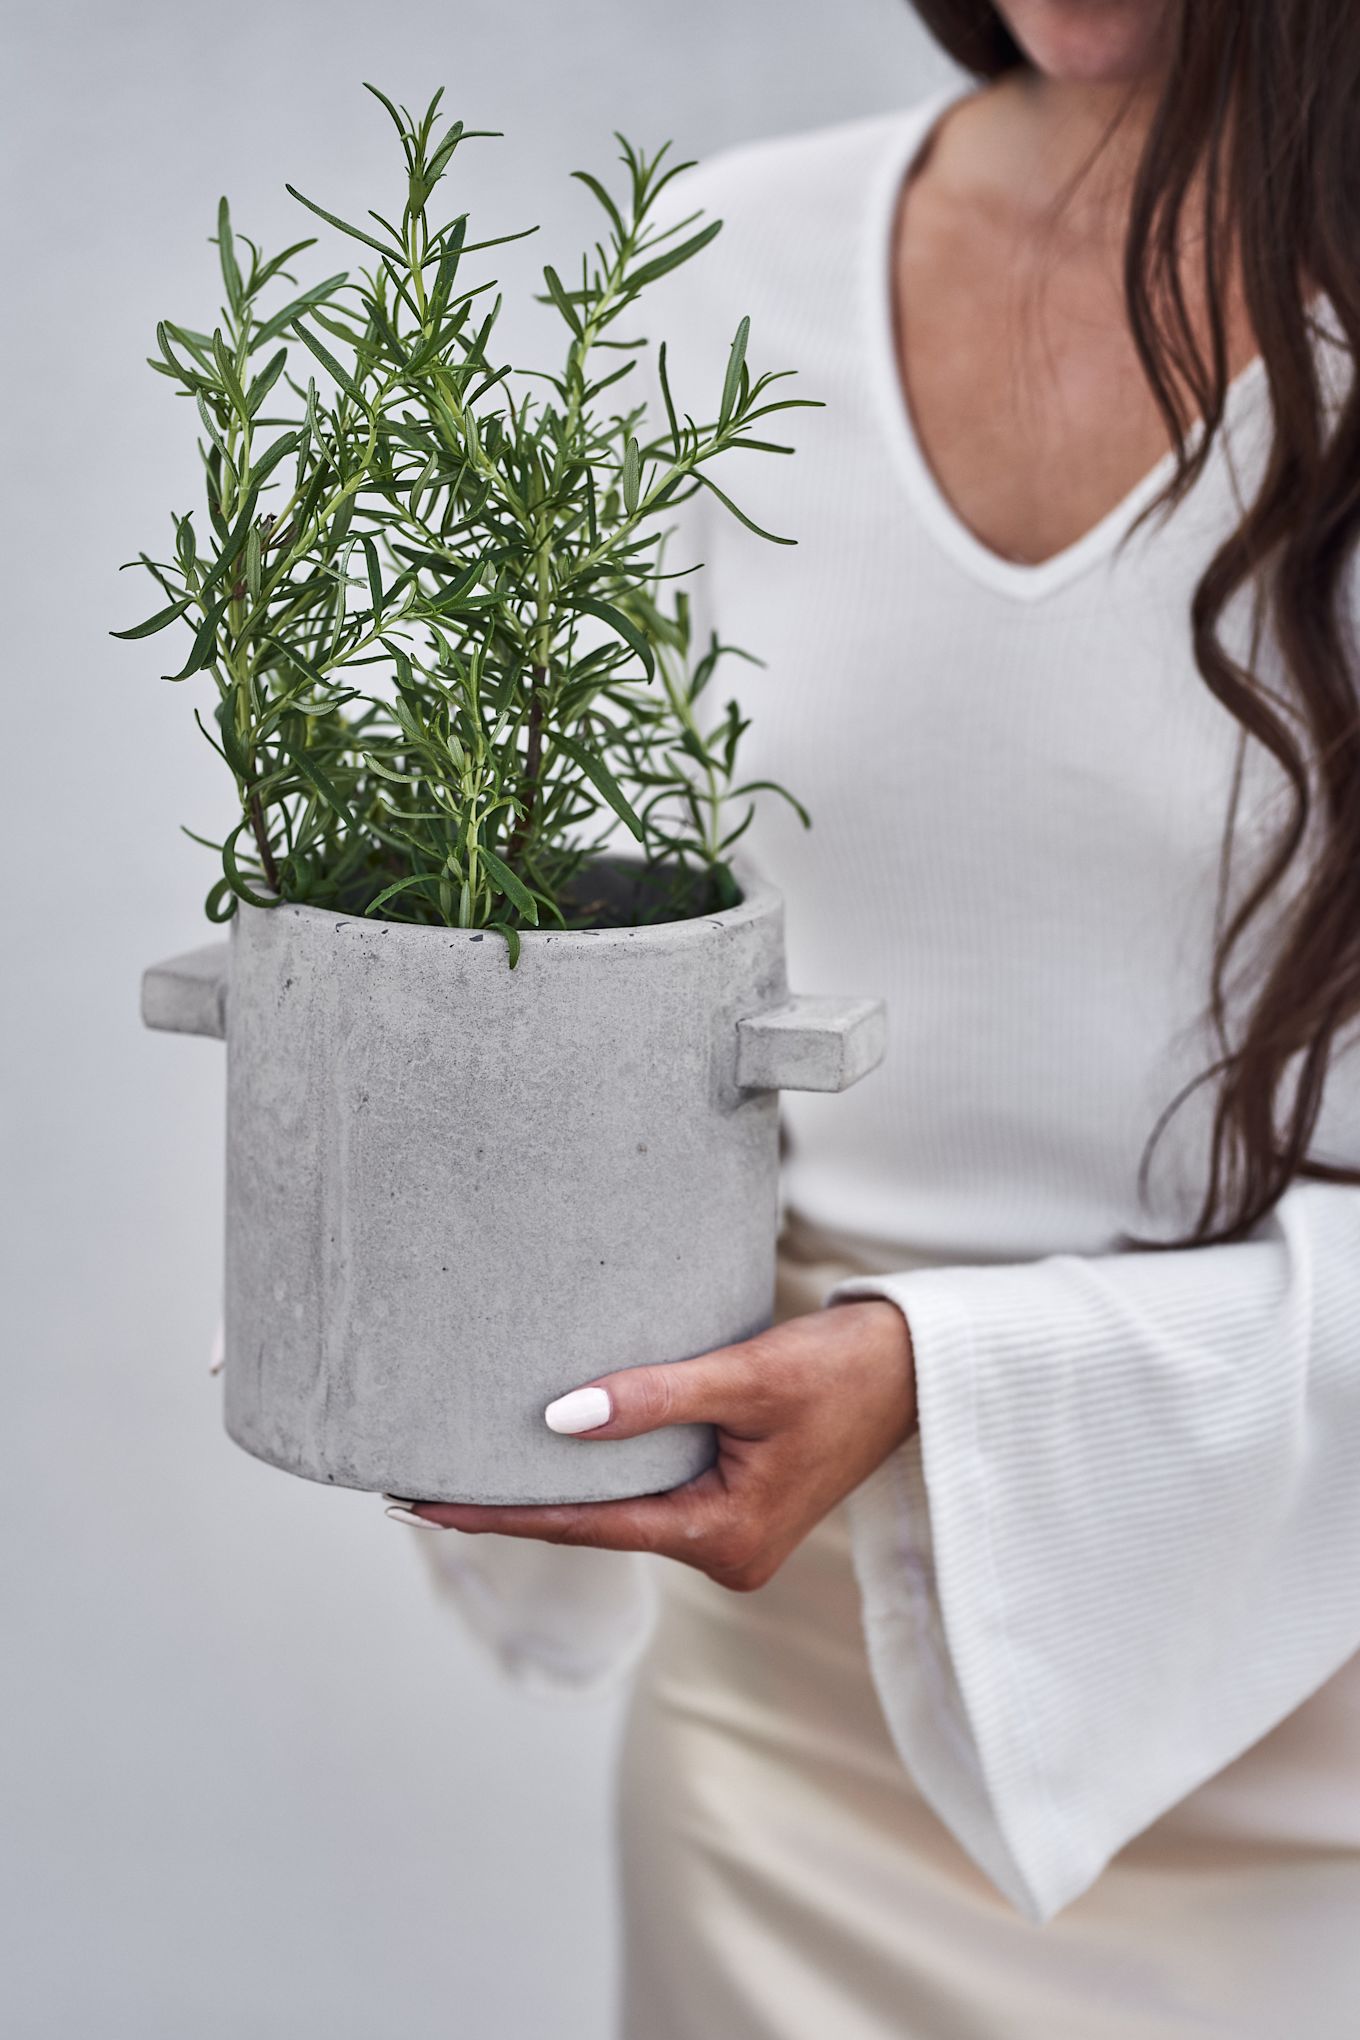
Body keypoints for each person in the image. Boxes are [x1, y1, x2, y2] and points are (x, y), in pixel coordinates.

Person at [386, 3, 1360, 2030]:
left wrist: (947, 1376)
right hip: (794, 1730)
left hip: (1309, 1705)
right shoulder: (714, 275)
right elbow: (589, 952)